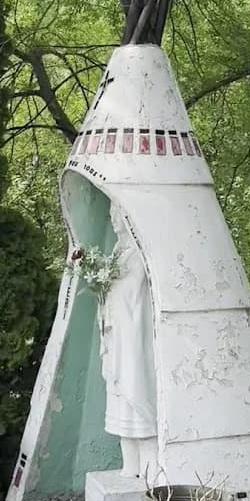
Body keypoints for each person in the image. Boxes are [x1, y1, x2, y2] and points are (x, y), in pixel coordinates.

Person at [99, 201, 158, 478]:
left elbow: (137, 293)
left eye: (116, 213)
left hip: (135, 336)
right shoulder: (117, 253)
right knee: (120, 395)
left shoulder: (140, 254)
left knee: (138, 389)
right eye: (110, 213)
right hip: (117, 337)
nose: (112, 219)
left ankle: (150, 466)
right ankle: (130, 465)